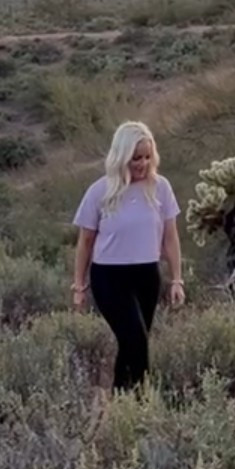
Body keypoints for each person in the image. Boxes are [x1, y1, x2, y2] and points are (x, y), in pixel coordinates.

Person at [72, 121, 185, 391]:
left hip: (147, 276)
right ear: (122, 156)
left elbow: (170, 237)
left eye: (147, 157)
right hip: (109, 277)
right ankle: (144, 403)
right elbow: (85, 241)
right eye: (136, 158)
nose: (142, 164)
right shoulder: (100, 191)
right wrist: (79, 285)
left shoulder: (161, 188)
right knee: (136, 340)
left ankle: (121, 403)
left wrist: (177, 279)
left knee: (133, 342)